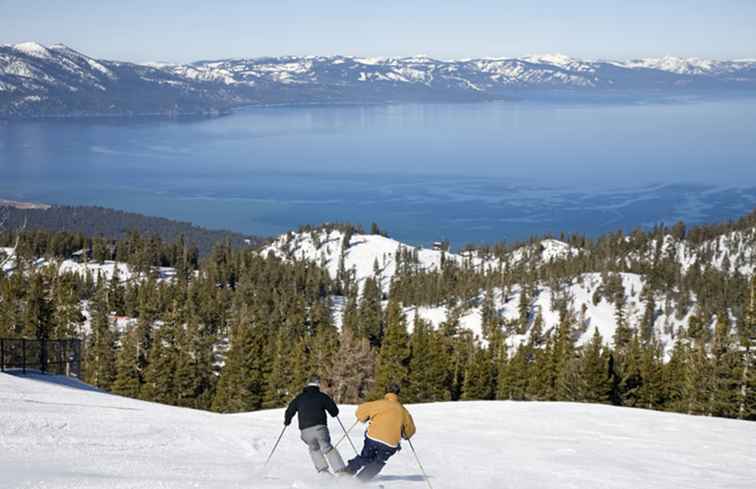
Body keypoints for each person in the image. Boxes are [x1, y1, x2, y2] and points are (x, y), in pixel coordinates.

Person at [345, 383, 416, 481]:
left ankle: (347, 472)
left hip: (373, 438)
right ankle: (360, 482)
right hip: (390, 444)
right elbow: (410, 431)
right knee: (378, 462)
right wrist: (405, 435)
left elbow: (360, 412)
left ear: (386, 391)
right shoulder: (403, 410)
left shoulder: (378, 404)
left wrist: (364, 418)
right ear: (398, 394)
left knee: (366, 457)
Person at [284, 376, 347, 475]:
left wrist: (287, 421)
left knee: (314, 448)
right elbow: (334, 411)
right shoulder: (321, 396)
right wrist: (333, 413)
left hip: (305, 431)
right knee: (327, 447)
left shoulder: (299, 398)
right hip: (319, 428)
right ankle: (341, 471)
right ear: (317, 385)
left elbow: (289, 410)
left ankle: (323, 471)